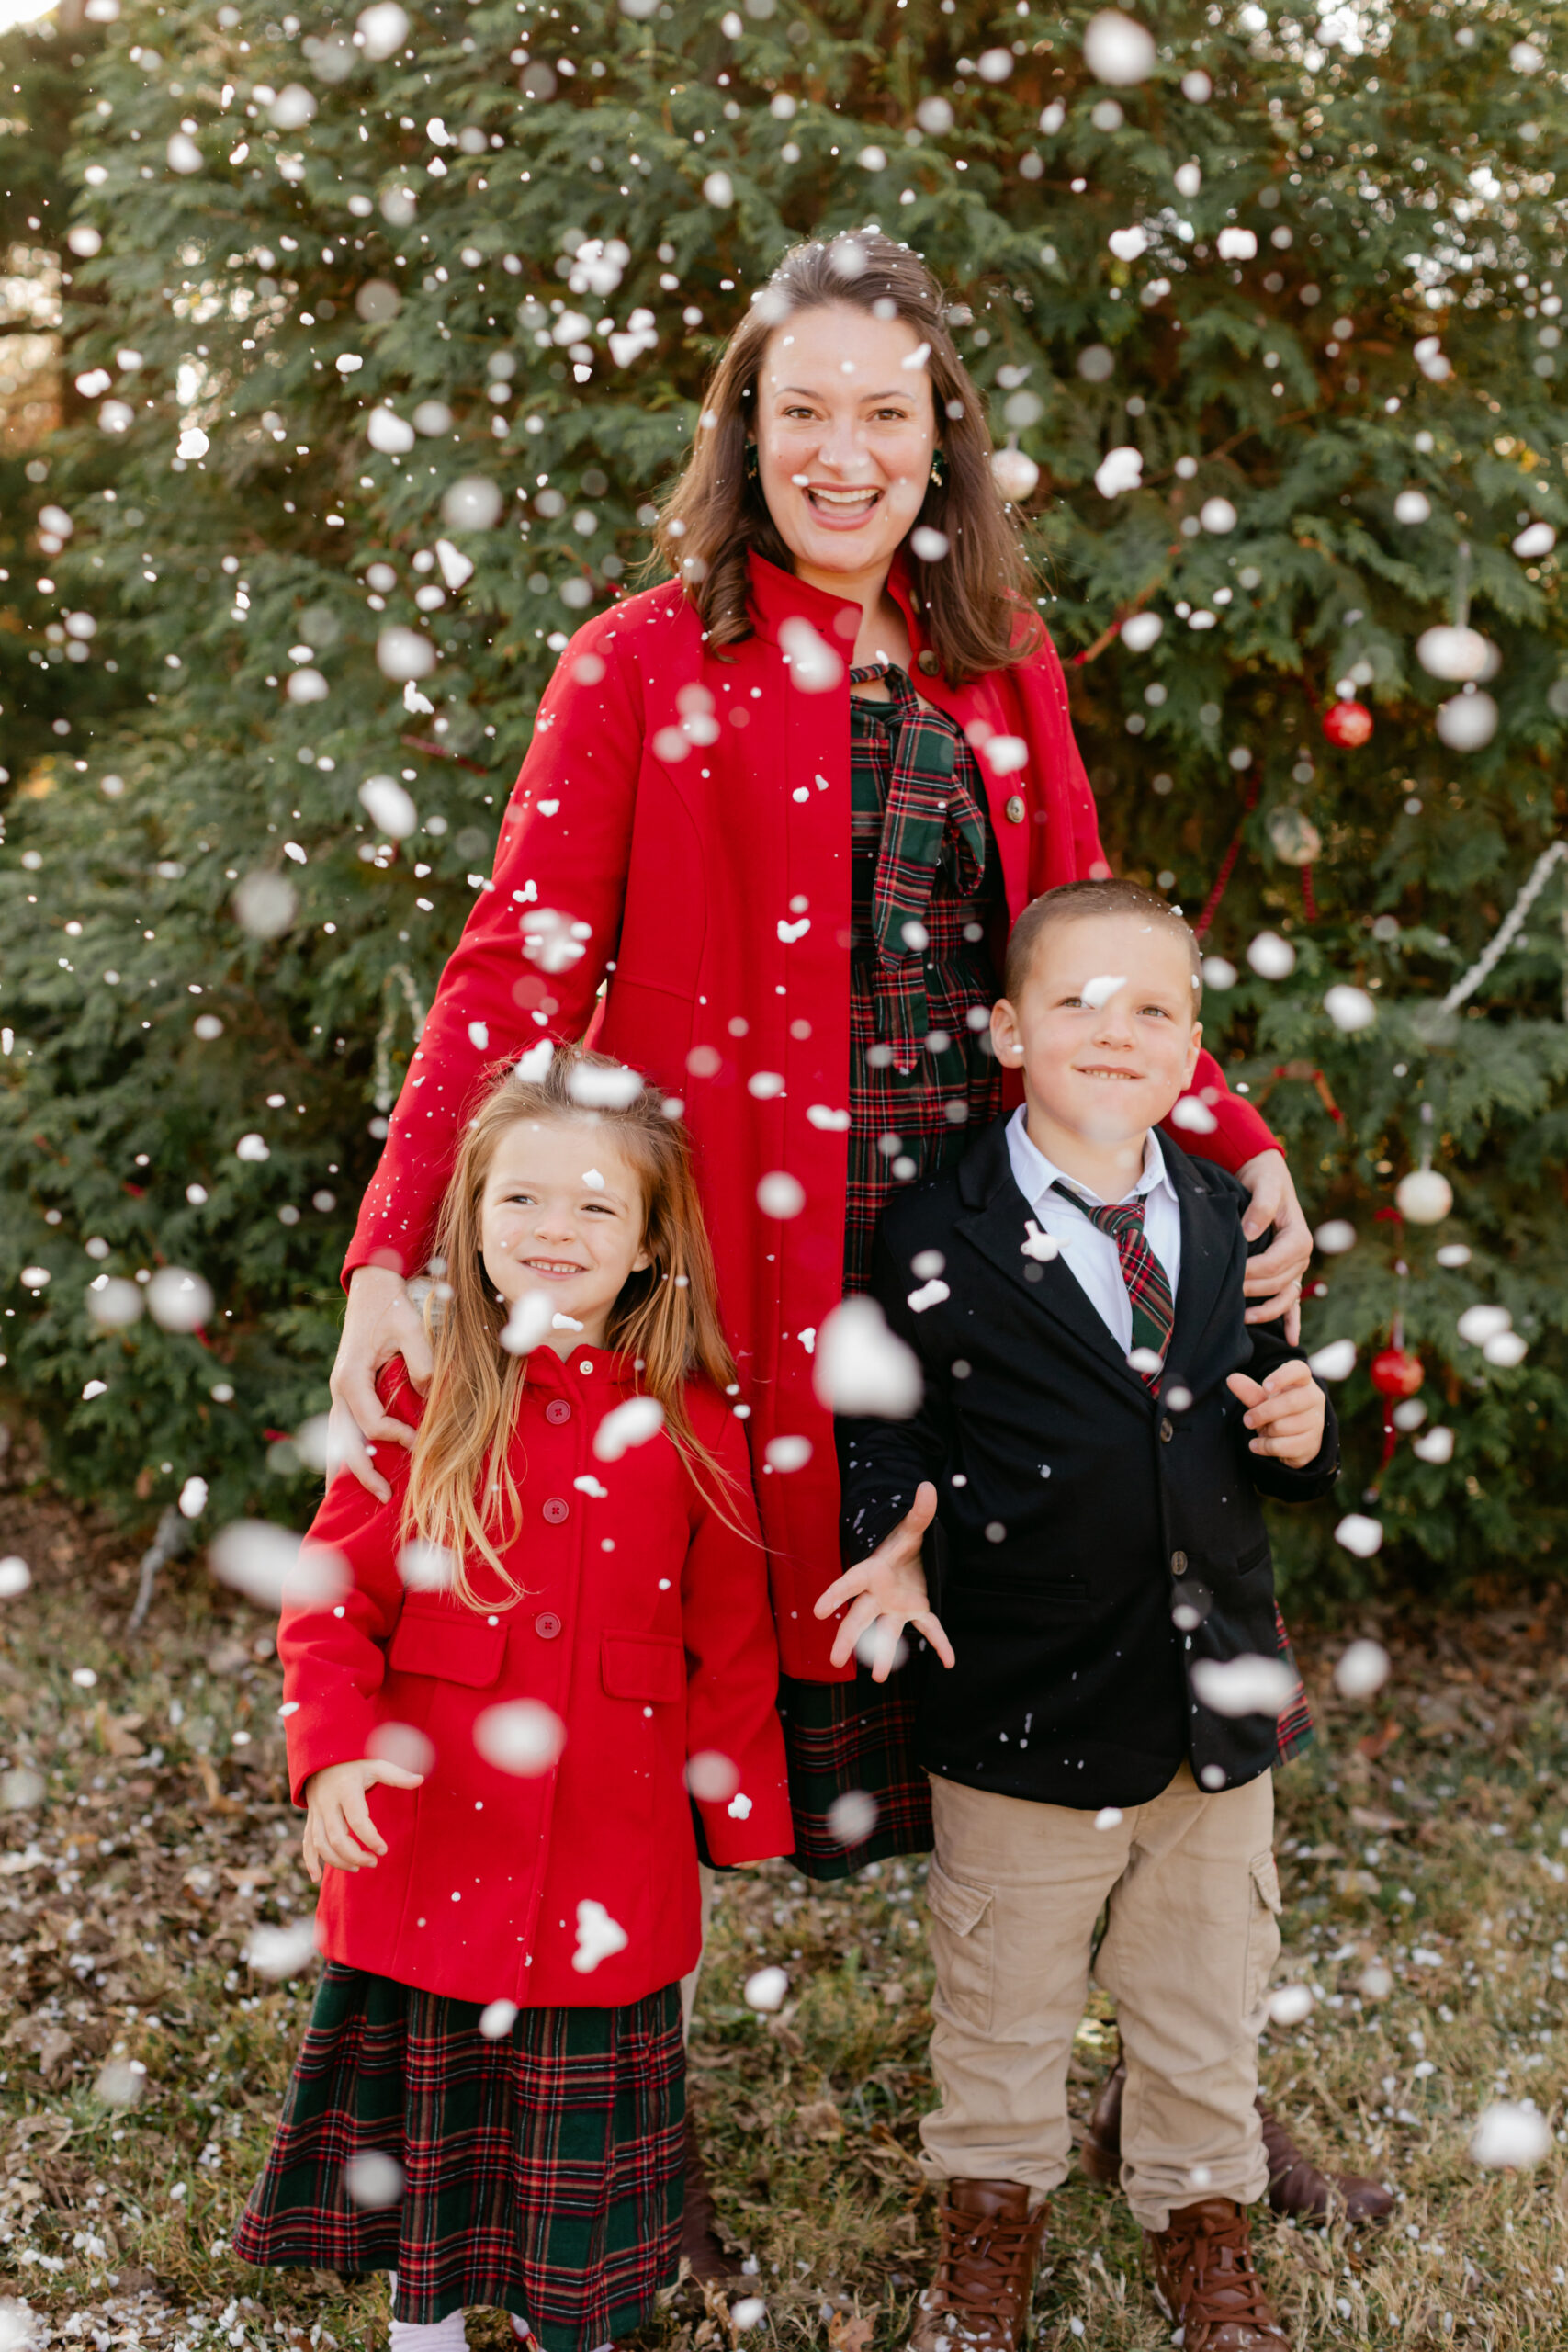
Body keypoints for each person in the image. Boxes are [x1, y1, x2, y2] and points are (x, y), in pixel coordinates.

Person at [325, 228, 1325, 2262]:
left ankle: (1185, 2087)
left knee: (1100, 1629)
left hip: (984, 1272)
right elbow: (515, 961)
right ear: (747, 434)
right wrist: (390, 1249)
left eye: (886, 412)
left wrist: (1224, 1131)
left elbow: (1081, 949)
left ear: (938, 438)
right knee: (634, 1685)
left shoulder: (997, 665)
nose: (844, 453)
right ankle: (593, 2147)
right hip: (739, 1291)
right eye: (804, 414)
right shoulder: (639, 660)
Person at [825, 880, 1343, 2352]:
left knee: (1203, 1996)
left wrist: (1310, 1433)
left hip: (1212, 1695)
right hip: (1023, 1696)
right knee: (1002, 2007)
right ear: (1005, 1029)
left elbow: (1270, 1415)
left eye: (1155, 1009)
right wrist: (895, 1530)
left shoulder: (1223, 1213)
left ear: (1195, 1049)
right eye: (1077, 1002)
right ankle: (987, 2238)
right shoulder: (943, 1221)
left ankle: (1203, 2222)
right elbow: (889, 1429)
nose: (1116, 1032)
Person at [233, 1049, 792, 2350]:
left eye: (598, 1208)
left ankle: (575, 2320)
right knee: (430, 2152)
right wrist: (333, 1758)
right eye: (522, 1204)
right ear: (471, 1222)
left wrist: (739, 1812)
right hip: (435, 1847)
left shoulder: (692, 1421)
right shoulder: (419, 1394)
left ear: (653, 1242)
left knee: (572, 2172)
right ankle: (423, 2327)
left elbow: (729, 1639)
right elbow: (333, 1601)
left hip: (611, 1854)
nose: (556, 1232)